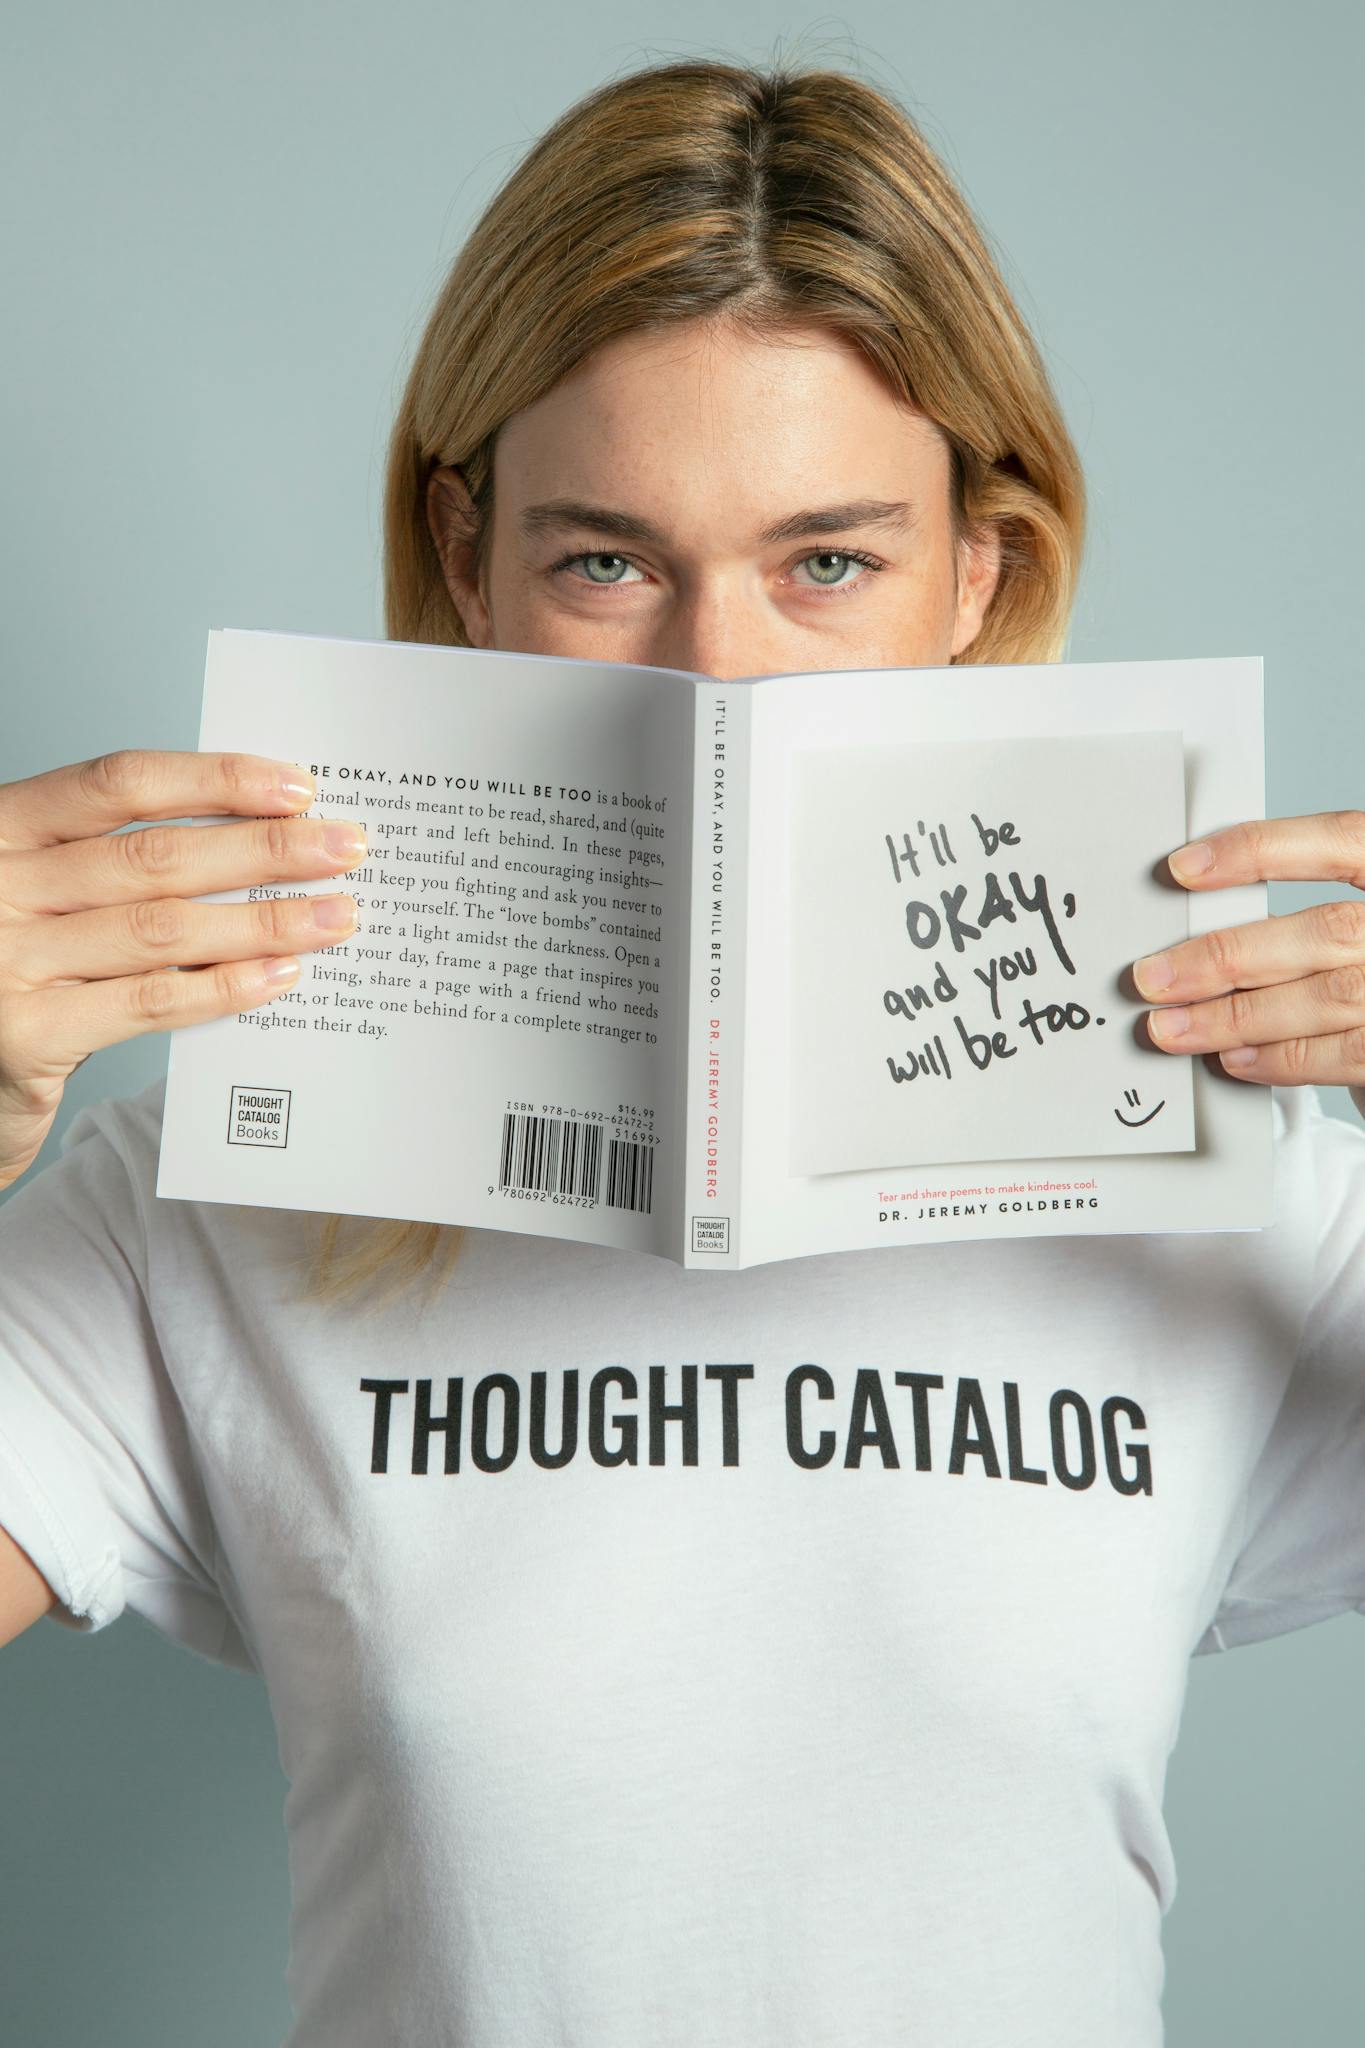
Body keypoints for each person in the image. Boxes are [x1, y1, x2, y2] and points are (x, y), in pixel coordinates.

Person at [2, 54, 1363, 2048]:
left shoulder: (1246, 1175)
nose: (715, 680)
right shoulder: (214, 1188)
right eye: (605, 562)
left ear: (972, 572)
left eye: (824, 562)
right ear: (465, 559)